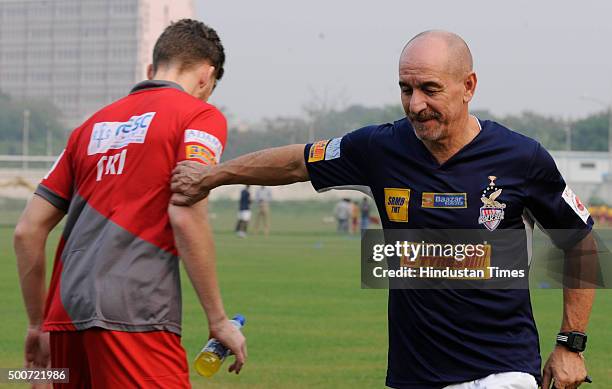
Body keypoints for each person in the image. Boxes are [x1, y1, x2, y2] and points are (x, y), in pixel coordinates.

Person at [170, 30, 596, 389]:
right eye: (405, 89)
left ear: (468, 86)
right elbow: (297, 161)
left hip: (501, 372)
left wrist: (571, 344)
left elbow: (580, 240)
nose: (415, 105)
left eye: (430, 89)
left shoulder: (520, 157)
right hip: (414, 375)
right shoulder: (380, 148)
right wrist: (213, 176)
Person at [13, 19, 246, 388]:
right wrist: (218, 320)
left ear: (152, 69)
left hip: (64, 314)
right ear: (206, 76)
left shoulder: (89, 128)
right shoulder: (199, 115)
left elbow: (27, 231)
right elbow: (185, 213)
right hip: (136, 310)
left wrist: (36, 324)